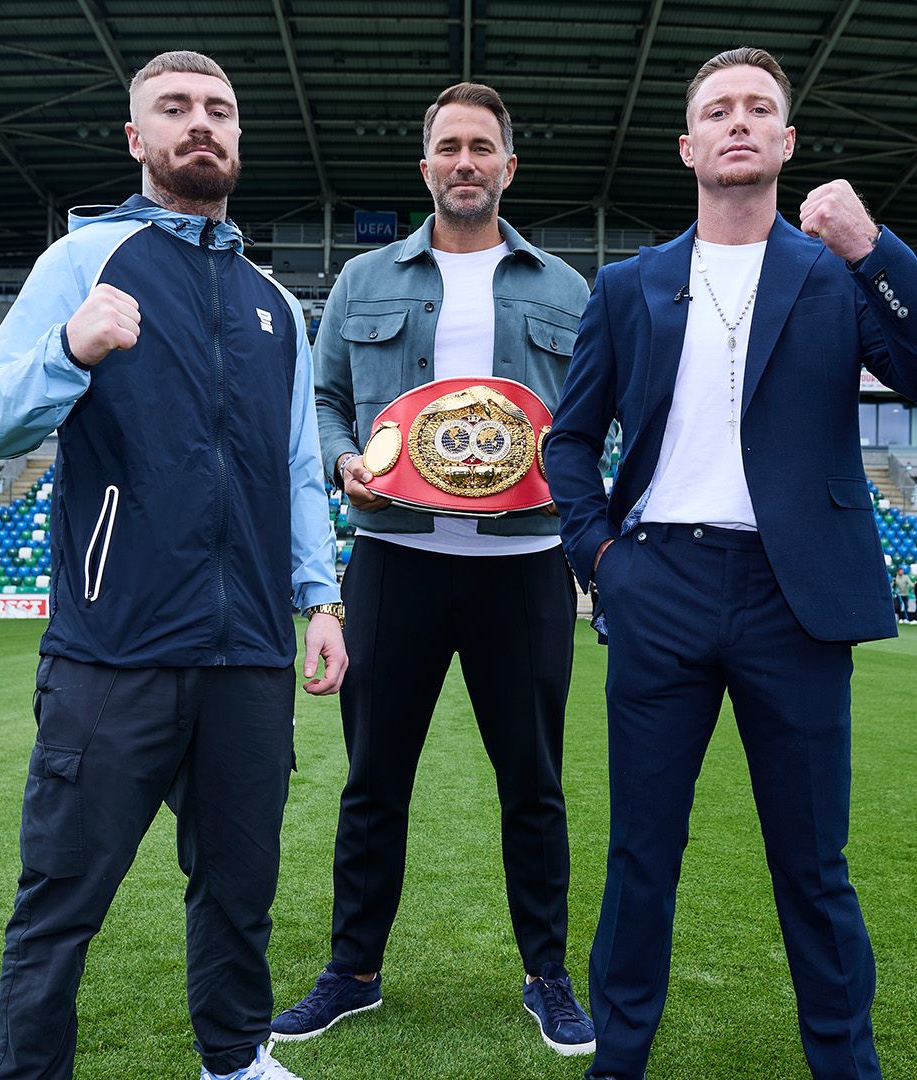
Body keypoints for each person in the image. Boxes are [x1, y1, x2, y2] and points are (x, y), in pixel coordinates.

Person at [543, 46, 917, 1080]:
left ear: (785, 143)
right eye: (718, 110)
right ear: (689, 146)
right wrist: (602, 553)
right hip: (660, 584)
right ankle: (619, 1061)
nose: (739, 122)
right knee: (642, 858)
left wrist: (875, 248)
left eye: (760, 110)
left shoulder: (834, 273)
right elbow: (568, 439)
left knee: (812, 865)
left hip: (798, 598)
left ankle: (844, 1065)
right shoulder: (628, 283)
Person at [0, 50, 348, 1080]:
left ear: (237, 135)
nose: (200, 123)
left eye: (218, 109)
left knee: (238, 880)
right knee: (62, 893)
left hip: (251, 651)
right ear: (137, 140)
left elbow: (298, 468)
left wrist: (321, 599)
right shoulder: (82, 262)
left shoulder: (276, 302)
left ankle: (235, 1057)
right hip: (114, 645)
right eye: (173, 109)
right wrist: (70, 352)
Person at [272, 82, 596, 1057]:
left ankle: (549, 976)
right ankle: (352, 972)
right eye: (448, 146)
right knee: (373, 780)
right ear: (426, 167)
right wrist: (341, 460)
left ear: (507, 166)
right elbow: (323, 400)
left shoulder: (566, 291)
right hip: (395, 561)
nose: (464, 161)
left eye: (481, 147)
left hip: (526, 565)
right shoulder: (365, 280)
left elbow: (592, 419)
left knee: (533, 783)